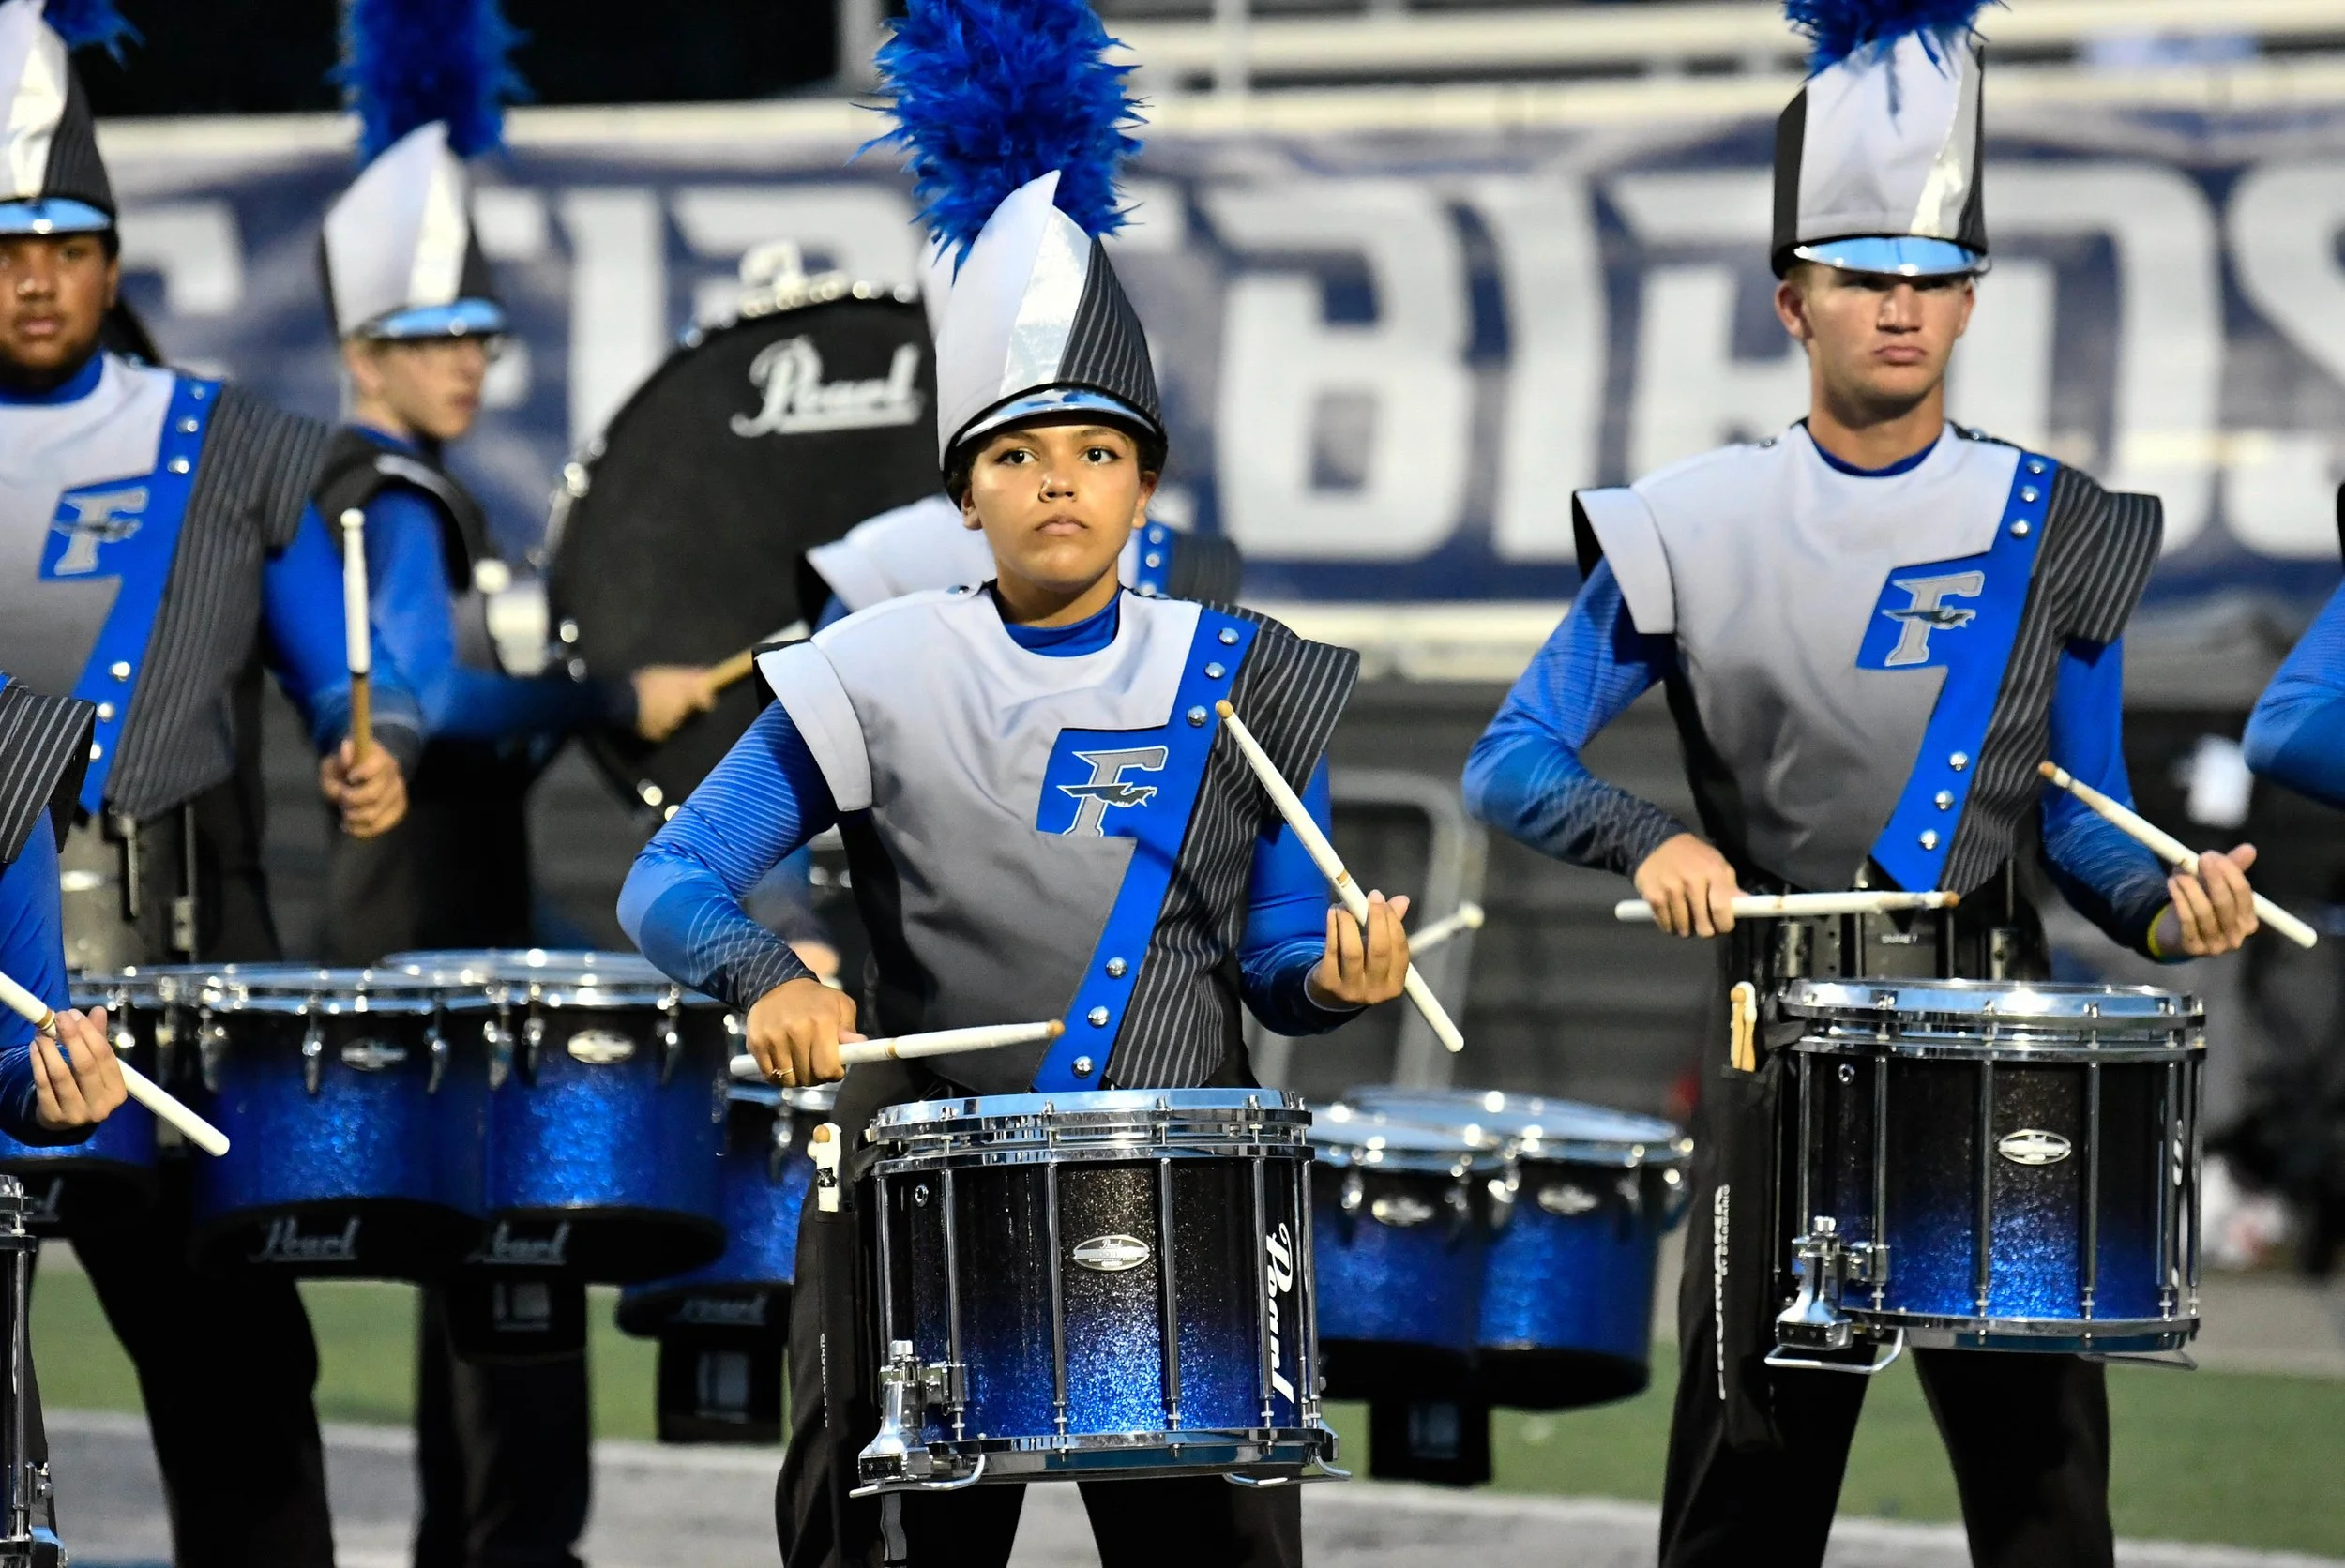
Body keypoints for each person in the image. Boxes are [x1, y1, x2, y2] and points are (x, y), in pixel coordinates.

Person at [1461, 7, 2260, 1566]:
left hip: (1999, 1039)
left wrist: (2169, 913)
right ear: (1792, 300)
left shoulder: (2061, 524)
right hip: (1782, 1040)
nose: (1897, 311)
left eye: (1928, 282)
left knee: (2044, 1498)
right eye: (1861, 280)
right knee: (1747, 1492)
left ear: (1970, 303)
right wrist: (1657, 838)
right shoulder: (1691, 521)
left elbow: (2082, 818)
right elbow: (1510, 760)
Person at [621, 6, 1404, 1560]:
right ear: (964, 489)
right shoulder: (880, 664)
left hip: (1174, 1204)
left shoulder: (1243, 668)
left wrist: (1327, 974)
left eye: (1099, 450)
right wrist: (768, 975)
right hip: (926, 1200)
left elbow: (1260, 955)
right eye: (1022, 449)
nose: (1061, 477)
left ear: (1147, 483)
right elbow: (670, 881)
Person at [0, 4, 413, 1561]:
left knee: (242, 1408)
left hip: (184, 997)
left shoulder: (230, 442)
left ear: (113, 261)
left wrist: (376, 744)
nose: (34, 275)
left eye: (64, 240)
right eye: (3, 242)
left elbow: (359, 676)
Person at [310, 97, 712, 1566]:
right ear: (366, 355)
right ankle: (511, 1551)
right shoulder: (390, 496)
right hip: (422, 926)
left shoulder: (410, 492)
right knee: (512, 1258)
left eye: (478, 335)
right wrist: (608, 689)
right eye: (434, 339)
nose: (467, 361)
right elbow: (422, 700)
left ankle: (474, 1545)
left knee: (482, 1273)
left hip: (441, 912)